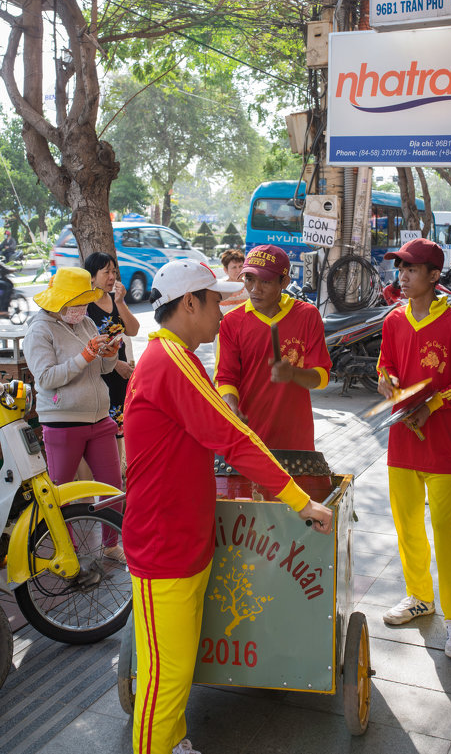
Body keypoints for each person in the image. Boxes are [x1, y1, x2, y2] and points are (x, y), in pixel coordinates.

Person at [122, 258, 332, 754]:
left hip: (182, 539)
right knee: (164, 677)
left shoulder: (178, 357)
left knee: (175, 669)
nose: (223, 311)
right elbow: (235, 440)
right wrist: (301, 501)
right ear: (190, 303)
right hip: (163, 544)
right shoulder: (170, 362)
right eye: (215, 301)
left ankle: (173, 742)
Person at [376, 238, 451, 660]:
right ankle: (419, 595)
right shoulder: (393, 321)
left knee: (445, 529)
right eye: (400, 268)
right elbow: (387, 364)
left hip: (443, 445)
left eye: (412, 269)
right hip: (402, 440)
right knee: (407, 525)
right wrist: (385, 380)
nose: (403, 275)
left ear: (434, 276)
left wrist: (433, 404)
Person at [23, 266, 125, 560]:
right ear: (60, 301)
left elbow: (102, 370)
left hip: (99, 418)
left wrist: (109, 354)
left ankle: (110, 544)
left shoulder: (87, 324)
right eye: (76, 303)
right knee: (61, 493)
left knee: (112, 486)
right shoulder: (39, 329)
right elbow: (45, 378)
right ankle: (67, 550)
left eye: (84, 302)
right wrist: (84, 357)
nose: (82, 309)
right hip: (61, 420)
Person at [214, 244, 331, 450]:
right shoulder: (232, 322)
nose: (254, 289)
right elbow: (225, 377)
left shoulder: (307, 315)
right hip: (248, 436)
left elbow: (321, 377)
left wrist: (293, 374)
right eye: (249, 279)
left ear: (284, 282)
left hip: (295, 438)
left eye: (265, 281)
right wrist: (230, 407)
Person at [84, 252, 139, 444]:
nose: (112, 277)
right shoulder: (85, 306)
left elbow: (133, 330)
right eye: (106, 272)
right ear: (91, 276)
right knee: (103, 433)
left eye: (114, 271)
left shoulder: (116, 300)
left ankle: (119, 473)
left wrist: (120, 302)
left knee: (120, 429)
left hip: (121, 376)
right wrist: (116, 364)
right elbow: (85, 343)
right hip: (99, 375)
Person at [218, 248, 247, 313]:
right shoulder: (219, 289)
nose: (238, 270)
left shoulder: (250, 287)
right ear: (225, 270)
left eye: (240, 266)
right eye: (234, 267)